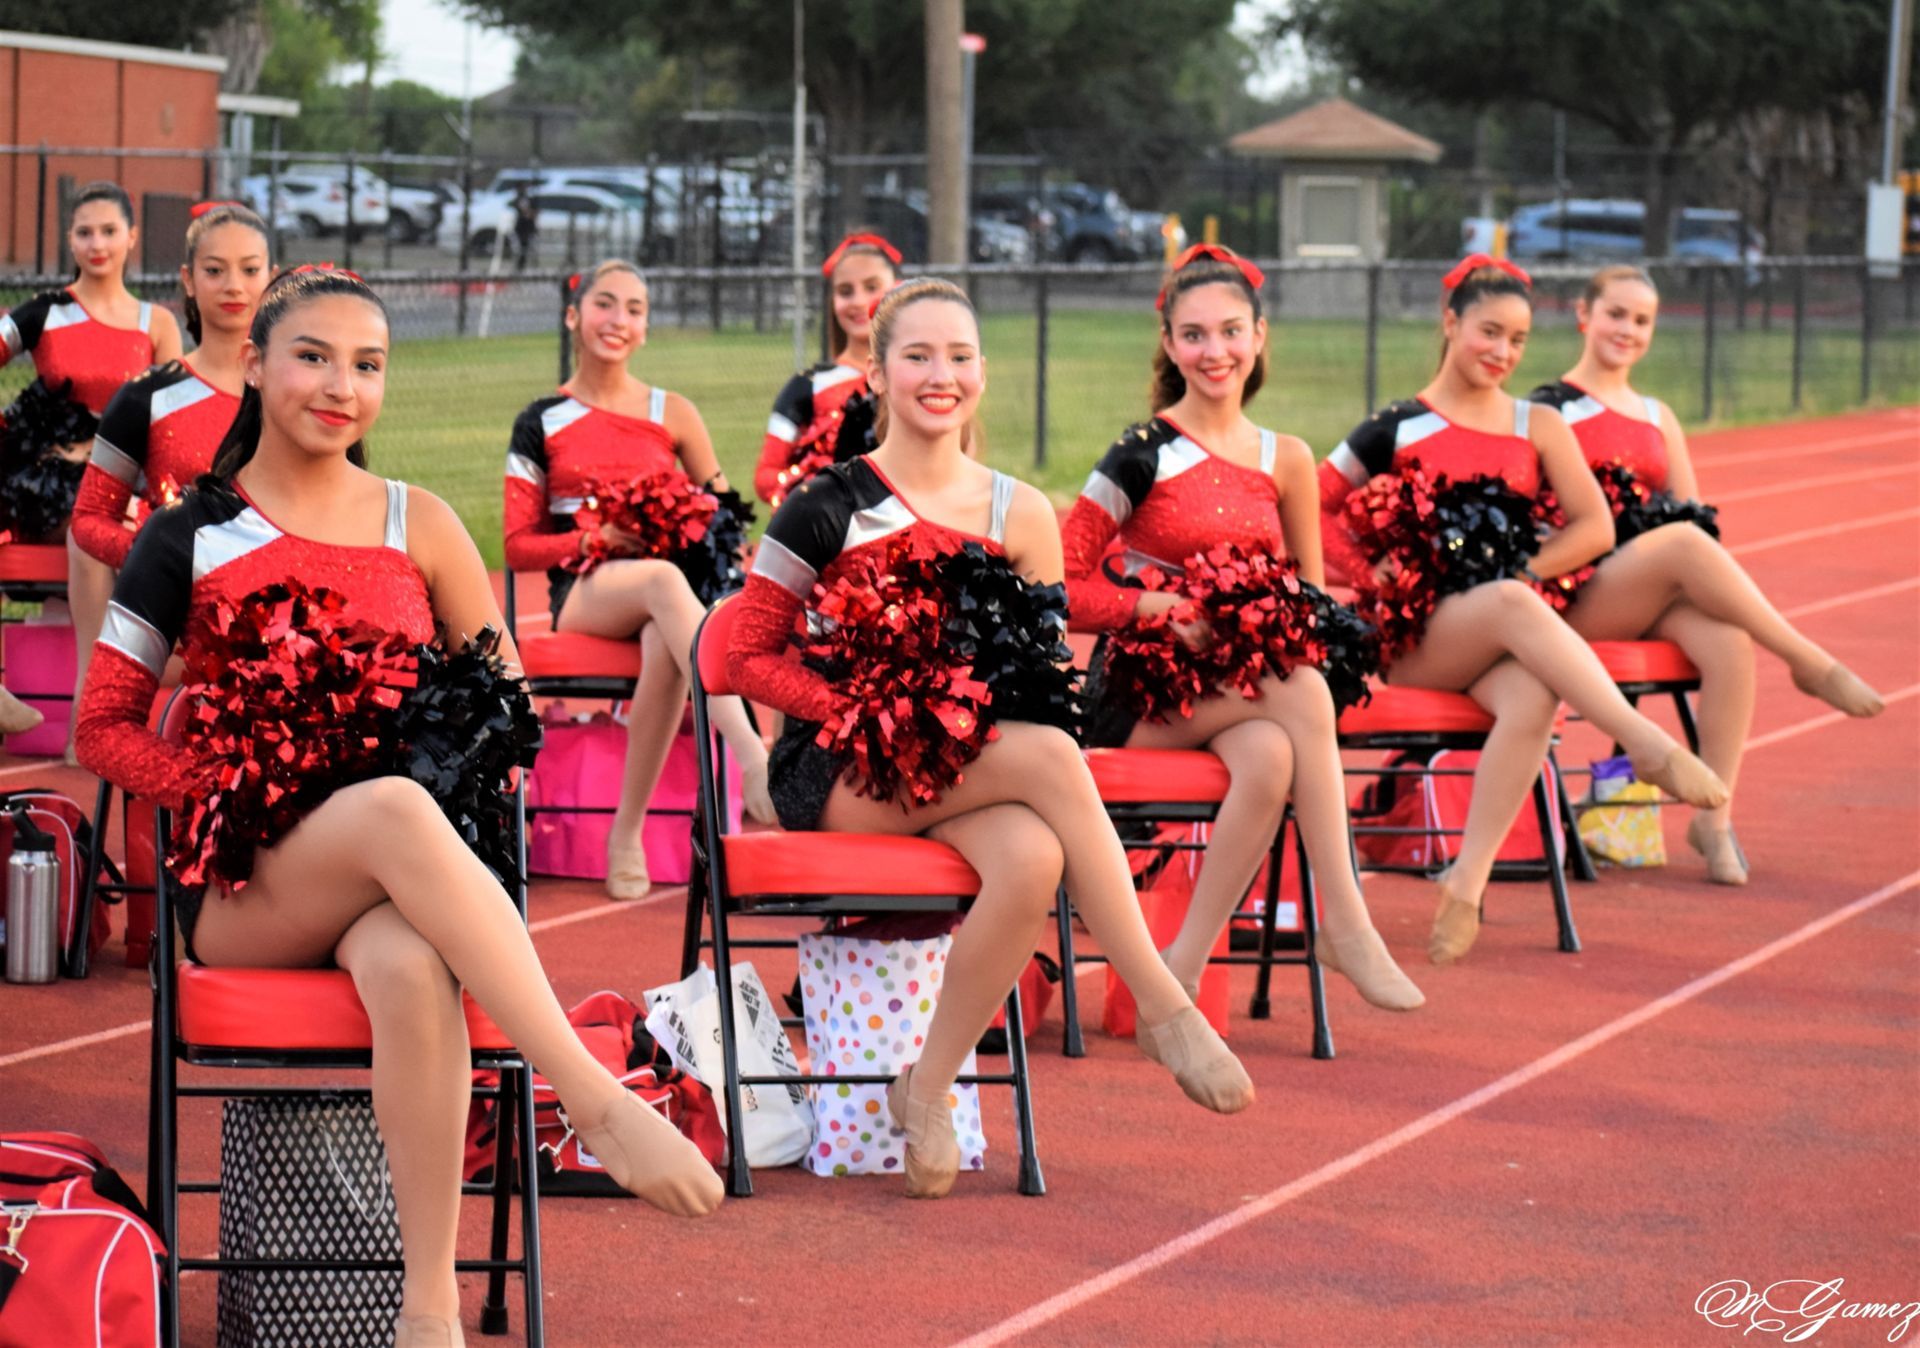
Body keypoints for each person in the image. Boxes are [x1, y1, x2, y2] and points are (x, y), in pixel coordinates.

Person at [76, 267, 722, 1348]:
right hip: (249, 885)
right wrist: (241, 777)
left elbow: (507, 705)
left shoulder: (416, 520)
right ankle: (596, 1101)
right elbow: (101, 728)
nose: (342, 386)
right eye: (315, 357)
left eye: (368, 365)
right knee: (388, 813)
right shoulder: (189, 533)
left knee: (411, 964)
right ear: (258, 365)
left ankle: (427, 1312)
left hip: (391, 875)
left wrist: (435, 737)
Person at [728, 277, 1254, 1199]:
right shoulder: (827, 503)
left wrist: (953, 714)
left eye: (961, 357)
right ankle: (1166, 1003)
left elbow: (1043, 679)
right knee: (1052, 759)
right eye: (918, 356)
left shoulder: (1020, 512)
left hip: (959, 772)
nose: (943, 375)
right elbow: (743, 656)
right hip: (845, 769)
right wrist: (857, 708)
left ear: (983, 374)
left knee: (1033, 856)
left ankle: (924, 1089)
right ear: (878, 375)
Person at [1318, 258, 1729, 966]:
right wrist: (1364, 569)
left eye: (1517, 339)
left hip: (1497, 632)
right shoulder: (1396, 426)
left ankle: (1465, 885)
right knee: (1512, 602)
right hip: (1417, 637)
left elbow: (1593, 528)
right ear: (1450, 325)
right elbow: (1307, 508)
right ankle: (1643, 742)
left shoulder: (1535, 423)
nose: (1502, 352)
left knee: (1535, 693)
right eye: (1488, 332)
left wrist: (1521, 568)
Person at [1061, 245, 1422, 1011]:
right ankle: (1346, 922)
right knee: (1301, 692)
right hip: (1142, 690)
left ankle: (1182, 969)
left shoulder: (1286, 458)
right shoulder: (1140, 453)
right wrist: (1155, 609)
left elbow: (1310, 601)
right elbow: (1059, 585)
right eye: (1193, 335)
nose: (1213, 351)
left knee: (1268, 757)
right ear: (1168, 344)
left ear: (1259, 336)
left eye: (1230, 332)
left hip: (1243, 693)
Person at [1528, 265, 1884, 884]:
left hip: (1648, 587)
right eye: (1615, 314)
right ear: (1584, 316)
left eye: (1642, 321)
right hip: (1571, 595)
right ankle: (1807, 661)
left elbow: (1690, 513)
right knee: (1683, 545)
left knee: (1728, 641)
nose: (1627, 330)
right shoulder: (1547, 408)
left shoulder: (1658, 415)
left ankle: (1713, 822)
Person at [503, 260, 774, 901]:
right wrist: (599, 539)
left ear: (646, 327)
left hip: (668, 600)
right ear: (574, 315)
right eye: (604, 304)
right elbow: (517, 547)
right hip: (586, 592)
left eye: (633, 308)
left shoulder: (672, 411)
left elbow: (724, 517)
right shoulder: (541, 420)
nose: (618, 320)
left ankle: (624, 836)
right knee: (658, 582)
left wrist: (698, 537)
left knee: (664, 637)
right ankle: (752, 752)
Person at [0, 182, 181, 756]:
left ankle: (98, 713)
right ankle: (85, 712)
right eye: (84, 232)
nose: (96, 243)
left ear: (132, 237)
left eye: (108, 230)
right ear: (70, 241)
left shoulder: (156, 323)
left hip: (127, 484)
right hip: (44, 486)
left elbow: (172, 419)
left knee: (110, 524)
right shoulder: (45, 312)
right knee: (92, 528)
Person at [70, 202, 271, 695]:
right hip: (178, 610)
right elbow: (90, 518)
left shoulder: (296, 393)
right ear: (187, 278)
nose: (233, 286)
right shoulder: (149, 395)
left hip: (282, 607)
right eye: (214, 270)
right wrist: (161, 553)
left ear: (274, 277)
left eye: (250, 270)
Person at [753, 232, 901, 506]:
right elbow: (765, 478)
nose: (858, 301)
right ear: (832, 302)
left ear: (898, 288)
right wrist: (821, 485)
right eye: (845, 291)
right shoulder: (808, 385)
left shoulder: (918, 379)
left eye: (872, 287)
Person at [511, 187, 537, 272]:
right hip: (521, 229)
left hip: (528, 228)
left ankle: (523, 265)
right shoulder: (519, 200)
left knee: (526, 247)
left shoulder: (529, 200)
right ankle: (520, 265)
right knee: (521, 248)